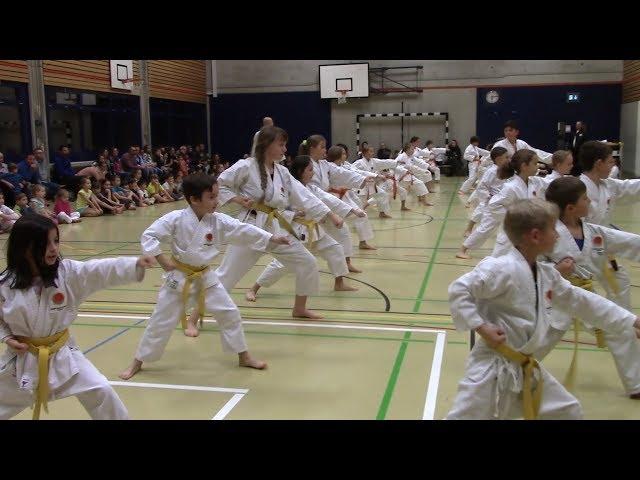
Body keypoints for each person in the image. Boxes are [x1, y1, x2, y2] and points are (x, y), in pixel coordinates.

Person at [446, 199, 640, 420]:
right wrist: (481, 327)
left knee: (567, 411)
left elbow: (580, 300)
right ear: (536, 236)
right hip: (491, 367)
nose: (558, 235)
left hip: (522, 365)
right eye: (553, 230)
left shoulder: (546, 274)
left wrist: (629, 320)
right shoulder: (500, 268)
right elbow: (459, 289)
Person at [118, 173, 284, 379]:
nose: (217, 201)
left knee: (229, 312)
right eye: (212, 197)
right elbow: (149, 235)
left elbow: (243, 230)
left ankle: (244, 356)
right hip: (179, 278)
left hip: (205, 277)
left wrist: (271, 237)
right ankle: (137, 363)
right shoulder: (176, 218)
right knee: (160, 321)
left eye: (217, 196)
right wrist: (161, 259)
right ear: (194, 199)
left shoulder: (218, 221)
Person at [0, 214, 155, 419]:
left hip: (63, 355)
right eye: (45, 244)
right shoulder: (5, 284)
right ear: (25, 248)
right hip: (24, 360)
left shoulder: (67, 273)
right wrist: (7, 337)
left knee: (101, 390)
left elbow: (98, 271)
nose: (54, 248)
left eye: (56, 241)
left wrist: (132, 265)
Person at [544, 176, 640, 398]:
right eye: (585, 199)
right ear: (570, 208)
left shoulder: (594, 232)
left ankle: (635, 385)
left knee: (620, 330)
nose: (590, 202)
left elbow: (629, 242)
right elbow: (527, 264)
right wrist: (555, 270)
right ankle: (509, 371)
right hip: (555, 298)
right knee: (542, 339)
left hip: (585, 297)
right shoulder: (548, 233)